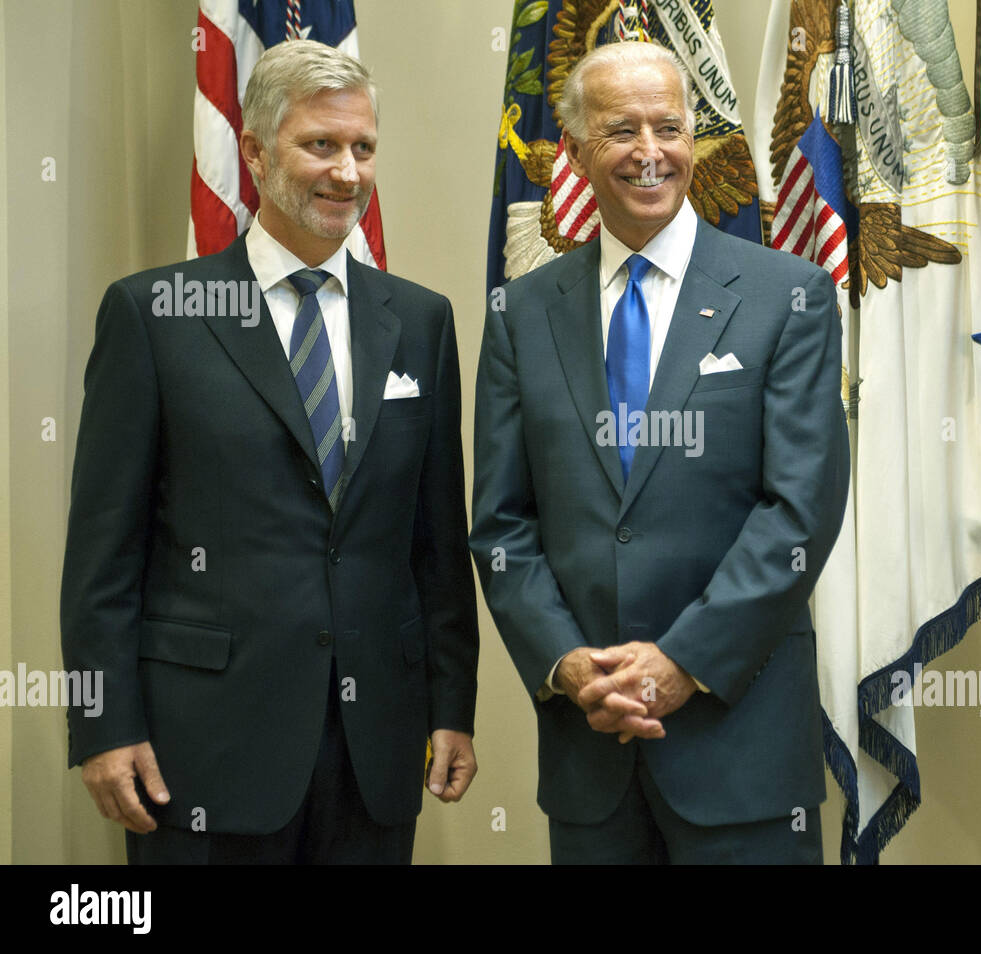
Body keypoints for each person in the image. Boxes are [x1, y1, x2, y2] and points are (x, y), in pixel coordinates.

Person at [60, 39, 478, 864]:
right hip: (203, 748)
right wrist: (104, 725)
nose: (347, 172)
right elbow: (104, 552)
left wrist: (452, 705)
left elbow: (435, 545)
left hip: (374, 750)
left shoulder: (421, 323)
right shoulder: (156, 316)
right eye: (320, 145)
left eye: (362, 148)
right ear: (252, 151)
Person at [471, 41, 849, 864]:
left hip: (741, 747)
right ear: (573, 151)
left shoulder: (789, 297)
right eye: (621, 131)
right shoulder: (521, 314)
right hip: (590, 754)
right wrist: (571, 666)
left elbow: (801, 511)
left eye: (669, 127)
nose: (650, 152)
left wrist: (684, 661)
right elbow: (501, 526)